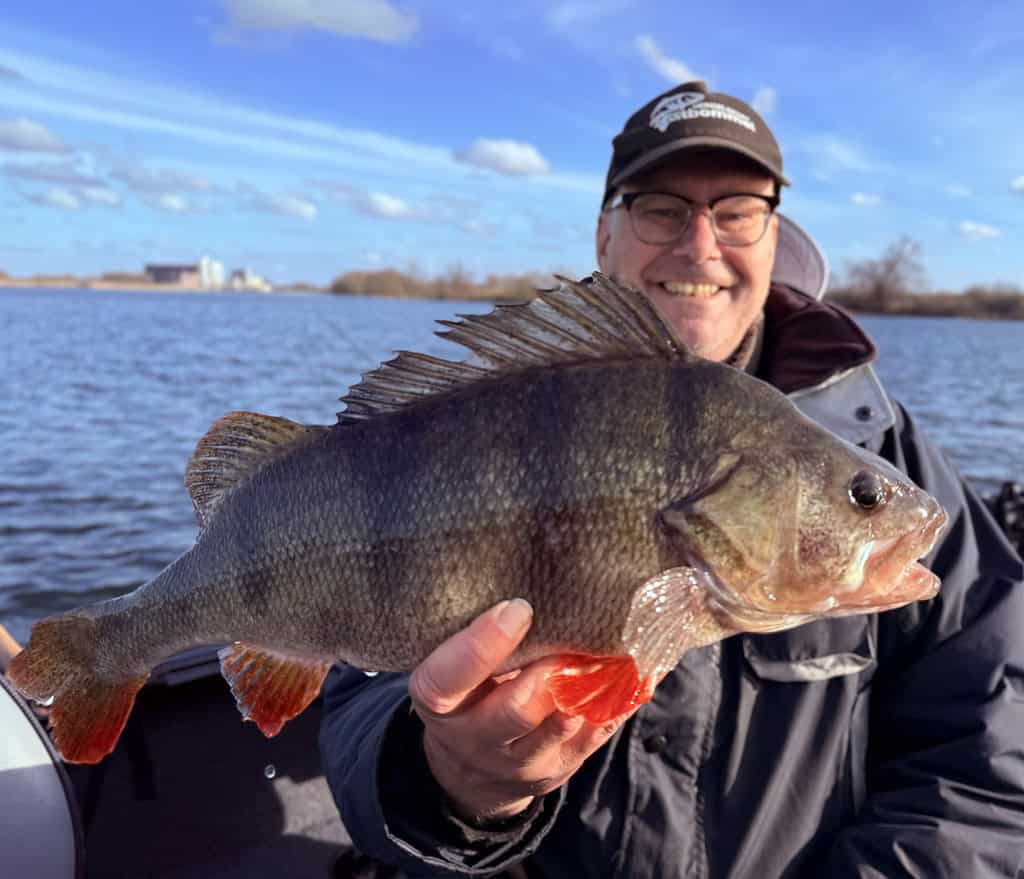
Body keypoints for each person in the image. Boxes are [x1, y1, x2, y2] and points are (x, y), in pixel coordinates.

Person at [320, 81, 1024, 877]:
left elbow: (991, 756)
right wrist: (449, 783)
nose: (700, 243)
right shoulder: (485, 413)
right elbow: (356, 699)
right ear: (603, 233)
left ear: (772, 235)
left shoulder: (885, 450)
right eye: (660, 207)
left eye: (736, 210)